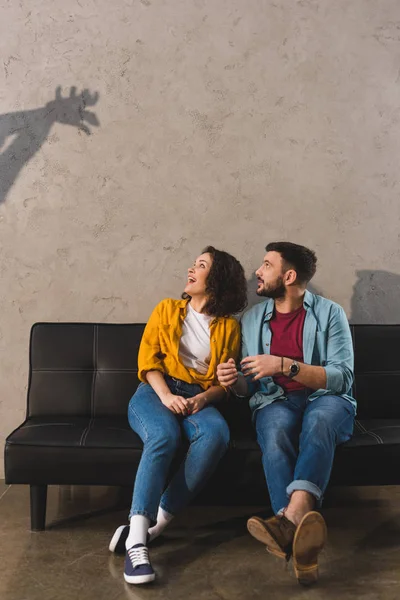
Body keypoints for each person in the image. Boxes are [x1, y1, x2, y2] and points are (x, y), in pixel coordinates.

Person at [217, 242, 356, 586]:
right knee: (276, 432)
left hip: (326, 399)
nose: (258, 273)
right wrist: (234, 383)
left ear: (289, 276)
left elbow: (342, 377)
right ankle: (300, 537)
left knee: (320, 419)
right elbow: (249, 387)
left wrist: (283, 364)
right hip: (274, 401)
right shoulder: (251, 319)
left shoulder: (330, 314)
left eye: (266, 265)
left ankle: (287, 520)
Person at [110, 246, 247, 585]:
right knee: (164, 436)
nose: (191, 269)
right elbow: (148, 363)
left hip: (198, 398)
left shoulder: (229, 328)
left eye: (200, 266)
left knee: (217, 435)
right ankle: (137, 543)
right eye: (193, 264)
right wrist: (167, 395)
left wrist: (203, 398)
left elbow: (223, 384)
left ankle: (155, 525)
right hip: (155, 392)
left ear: (216, 280)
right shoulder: (167, 309)